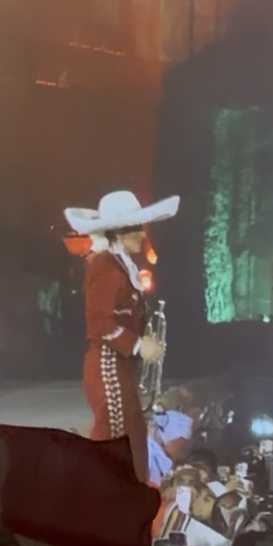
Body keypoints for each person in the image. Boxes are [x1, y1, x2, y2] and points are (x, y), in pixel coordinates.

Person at [64, 188, 177, 483]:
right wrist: (138, 345)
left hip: (119, 367)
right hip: (108, 367)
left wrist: (143, 337)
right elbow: (99, 322)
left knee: (132, 440)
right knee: (115, 443)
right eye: (136, 228)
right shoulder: (105, 267)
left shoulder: (120, 265)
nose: (141, 234)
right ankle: (97, 498)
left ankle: (125, 498)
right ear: (119, 231)